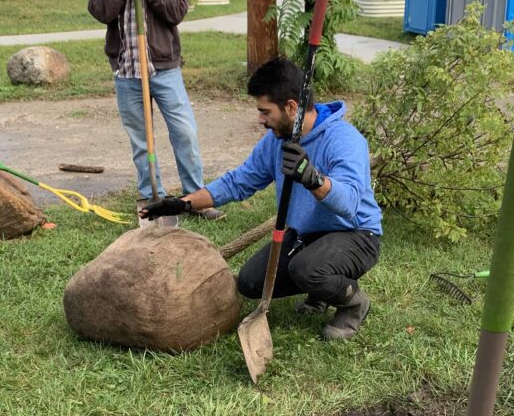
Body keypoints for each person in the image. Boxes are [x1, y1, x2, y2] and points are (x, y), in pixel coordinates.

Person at [140, 57, 382, 342]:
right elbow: (240, 181)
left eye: (265, 111)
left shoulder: (345, 140)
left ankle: (353, 303)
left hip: (356, 234)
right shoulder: (277, 141)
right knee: (251, 282)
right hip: (307, 236)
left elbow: (349, 203)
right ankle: (319, 290)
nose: (260, 119)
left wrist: (312, 178)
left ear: (291, 107)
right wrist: (184, 203)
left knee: (308, 269)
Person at [87, 0, 222, 225]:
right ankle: (154, 197)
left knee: (185, 133)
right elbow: (99, 11)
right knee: (140, 141)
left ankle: (196, 199)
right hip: (126, 71)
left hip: (164, 68)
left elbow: (177, 10)